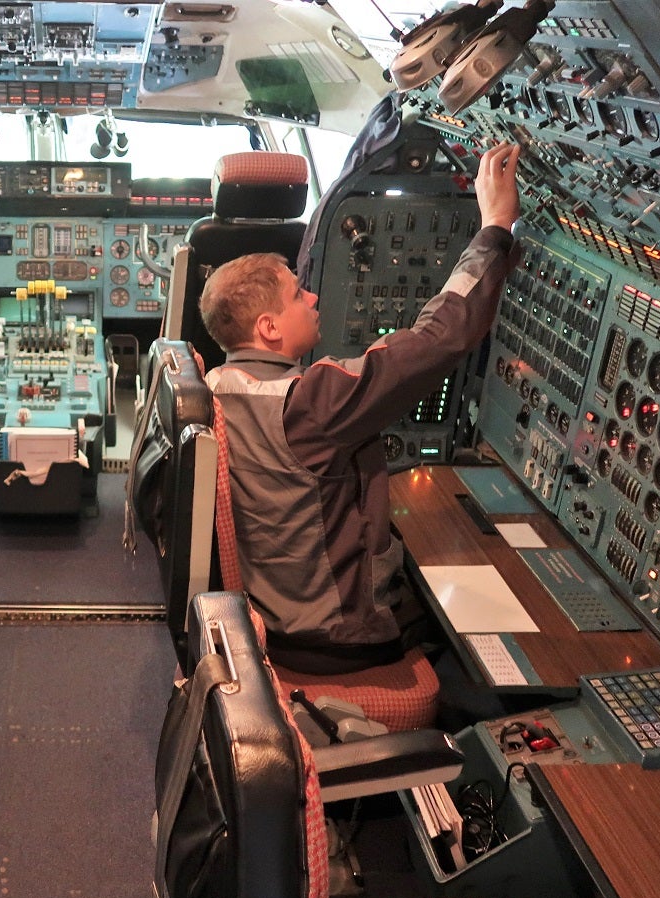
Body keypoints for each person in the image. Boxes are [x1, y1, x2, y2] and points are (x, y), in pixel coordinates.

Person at [198, 141, 522, 674]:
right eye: (298, 294)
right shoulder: (312, 402)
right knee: (482, 616)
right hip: (340, 635)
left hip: (281, 616)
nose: (314, 299)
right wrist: (495, 227)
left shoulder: (216, 386)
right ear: (269, 328)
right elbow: (440, 338)